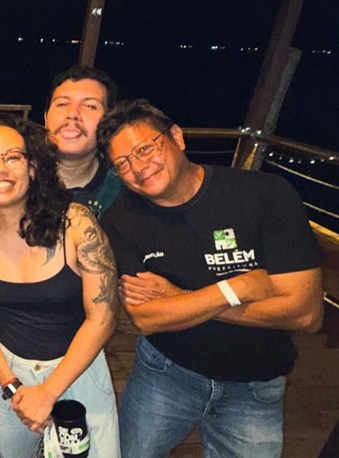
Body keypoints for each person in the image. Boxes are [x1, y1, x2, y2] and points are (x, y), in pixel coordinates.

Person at [97, 99, 324, 457]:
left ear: (176, 136)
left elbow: (305, 314)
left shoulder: (265, 194)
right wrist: (237, 287)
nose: (138, 167)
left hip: (255, 384)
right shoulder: (121, 220)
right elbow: (147, 318)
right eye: (122, 163)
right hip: (165, 372)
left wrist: (178, 296)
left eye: (144, 149)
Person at [0, 114, 121, 458]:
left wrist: (48, 393)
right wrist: (11, 386)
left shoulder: (75, 224)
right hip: (7, 374)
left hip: (78, 368)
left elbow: (102, 318)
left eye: (12, 157)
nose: (0, 168)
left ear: (32, 168)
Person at [44, 65, 122, 216]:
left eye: (90, 106)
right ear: (45, 117)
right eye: (62, 104)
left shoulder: (123, 193)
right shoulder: (14, 179)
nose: (72, 114)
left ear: (109, 121)